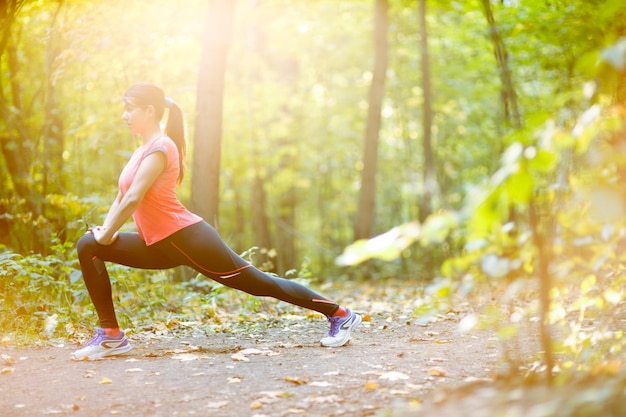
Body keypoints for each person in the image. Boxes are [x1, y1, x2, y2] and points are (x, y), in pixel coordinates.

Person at [73, 82, 361, 360]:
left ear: (149, 111)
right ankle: (111, 334)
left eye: (129, 108)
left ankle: (340, 314)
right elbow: (121, 195)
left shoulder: (161, 147)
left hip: (187, 238)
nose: (124, 115)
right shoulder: (140, 151)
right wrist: (104, 233)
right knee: (90, 245)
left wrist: (109, 233)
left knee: (260, 283)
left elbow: (135, 196)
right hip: (159, 243)